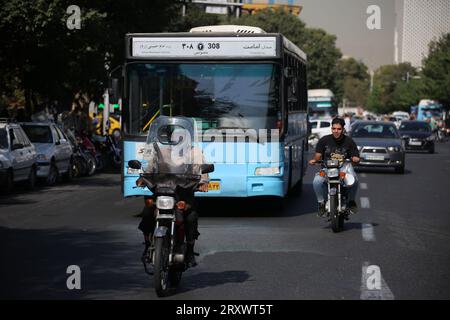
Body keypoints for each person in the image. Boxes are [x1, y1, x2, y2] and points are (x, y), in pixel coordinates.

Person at [138, 123, 209, 267]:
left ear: (187, 139)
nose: (179, 140)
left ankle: (189, 249)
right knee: (147, 211)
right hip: (162, 190)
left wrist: (203, 181)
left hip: (183, 192)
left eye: (182, 137)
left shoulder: (194, 152)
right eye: (176, 137)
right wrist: (143, 177)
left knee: (190, 217)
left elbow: (202, 168)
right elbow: (151, 167)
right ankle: (147, 244)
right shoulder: (162, 150)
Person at [309, 117, 360, 217]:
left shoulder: (349, 141)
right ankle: (321, 204)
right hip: (327, 168)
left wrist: (355, 159)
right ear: (331, 129)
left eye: (339, 129)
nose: (336, 131)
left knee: (354, 180)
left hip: (344, 168)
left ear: (343, 129)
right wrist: (315, 159)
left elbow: (355, 156)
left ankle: (351, 201)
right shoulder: (324, 140)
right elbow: (318, 155)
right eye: (334, 129)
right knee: (317, 181)